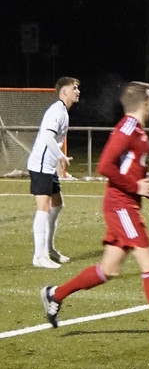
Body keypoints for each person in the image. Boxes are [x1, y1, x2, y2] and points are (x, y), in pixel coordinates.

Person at [39, 81, 149, 351]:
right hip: (121, 205)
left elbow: (135, 178)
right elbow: (105, 165)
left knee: (109, 270)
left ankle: (55, 294)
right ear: (143, 102)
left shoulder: (138, 131)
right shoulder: (127, 128)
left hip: (125, 204)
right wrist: (135, 188)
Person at [27, 77, 80, 269]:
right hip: (40, 166)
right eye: (74, 88)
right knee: (43, 208)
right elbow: (48, 137)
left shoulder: (63, 111)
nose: (78, 91)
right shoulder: (56, 111)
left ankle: (49, 249)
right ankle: (39, 256)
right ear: (64, 92)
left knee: (57, 205)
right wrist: (62, 157)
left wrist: (58, 159)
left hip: (48, 167)